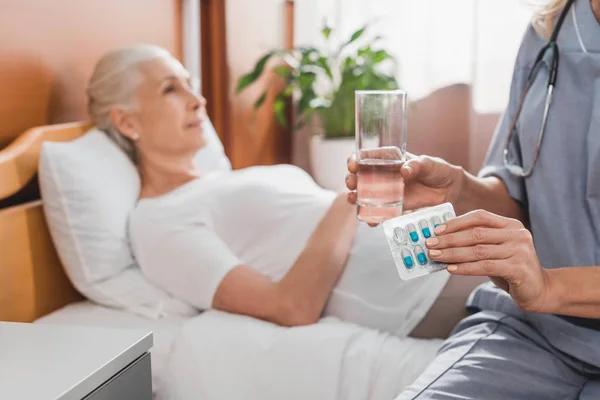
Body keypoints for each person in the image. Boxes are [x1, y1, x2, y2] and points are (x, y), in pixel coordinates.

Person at [86, 44, 484, 342]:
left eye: (192, 86)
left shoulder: (225, 181)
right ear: (126, 121)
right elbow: (289, 307)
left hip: (439, 245)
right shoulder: (158, 221)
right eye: (171, 89)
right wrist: (351, 196)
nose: (198, 101)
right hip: (417, 292)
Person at [346, 0, 600, 398]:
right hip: (536, 332)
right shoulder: (549, 30)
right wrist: (458, 190)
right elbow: (524, 201)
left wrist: (552, 285)